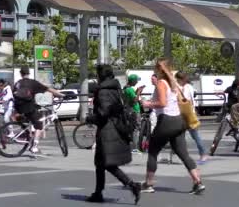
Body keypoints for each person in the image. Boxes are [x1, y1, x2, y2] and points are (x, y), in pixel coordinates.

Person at [140, 58, 205, 195]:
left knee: (152, 151)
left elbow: (163, 103)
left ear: (159, 69)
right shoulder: (173, 83)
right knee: (183, 154)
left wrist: (147, 104)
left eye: (155, 67)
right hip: (178, 121)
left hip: (166, 121)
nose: (153, 69)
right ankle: (197, 182)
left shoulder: (162, 83)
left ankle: (149, 183)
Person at [85, 65, 141, 204]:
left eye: (97, 75)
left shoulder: (103, 91)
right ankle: (98, 193)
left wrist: (90, 118)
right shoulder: (116, 88)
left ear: (101, 76)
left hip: (107, 130)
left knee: (106, 163)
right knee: (100, 163)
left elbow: (104, 112)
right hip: (114, 127)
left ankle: (132, 185)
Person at [13, 66, 64, 154]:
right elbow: (48, 89)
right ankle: (34, 147)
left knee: (34, 119)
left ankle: (30, 140)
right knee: (39, 125)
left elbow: (14, 94)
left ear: (21, 74)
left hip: (19, 108)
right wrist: (60, 95)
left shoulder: (17, 83)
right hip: (28, 108)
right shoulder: (33, 83)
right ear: (28, 73)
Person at [175, 71, 208, 164]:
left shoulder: (182, 88)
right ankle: (199, 154)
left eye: (177, 79)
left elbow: (182, 100)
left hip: (184, 114)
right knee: (188, 136)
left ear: (180, 79)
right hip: (187, 113)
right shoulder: (188, 87)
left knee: (190, 135)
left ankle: (201, 154)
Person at [123, 74, 144, 153]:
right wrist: (138, 92)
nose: (137, 82)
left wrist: (137, 92)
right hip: (134, 111)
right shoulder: (130, 89)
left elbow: (131, 98)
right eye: (136, 81)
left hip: (129, 110)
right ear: (133, 81)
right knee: (136, 128)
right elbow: (135, 100)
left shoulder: (126, 88)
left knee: (132, 128)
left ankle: (132, 146)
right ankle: (135, 148)